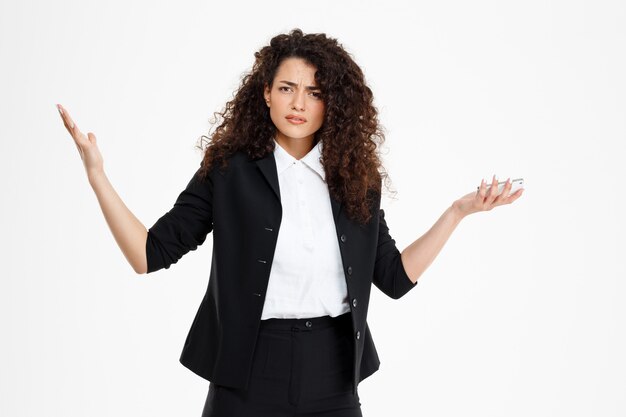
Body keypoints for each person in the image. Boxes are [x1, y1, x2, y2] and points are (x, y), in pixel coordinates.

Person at [57, 28, 523, 417]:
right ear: (265, 92)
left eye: (315, 92)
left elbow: (395, 278)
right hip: (246, 370)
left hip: (333, 372)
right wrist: (97, 176)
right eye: (286, 88)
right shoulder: (228, 170)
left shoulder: (356, 178)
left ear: (332, 103)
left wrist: (457, 213)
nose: (298, 103)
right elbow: (148, 254)